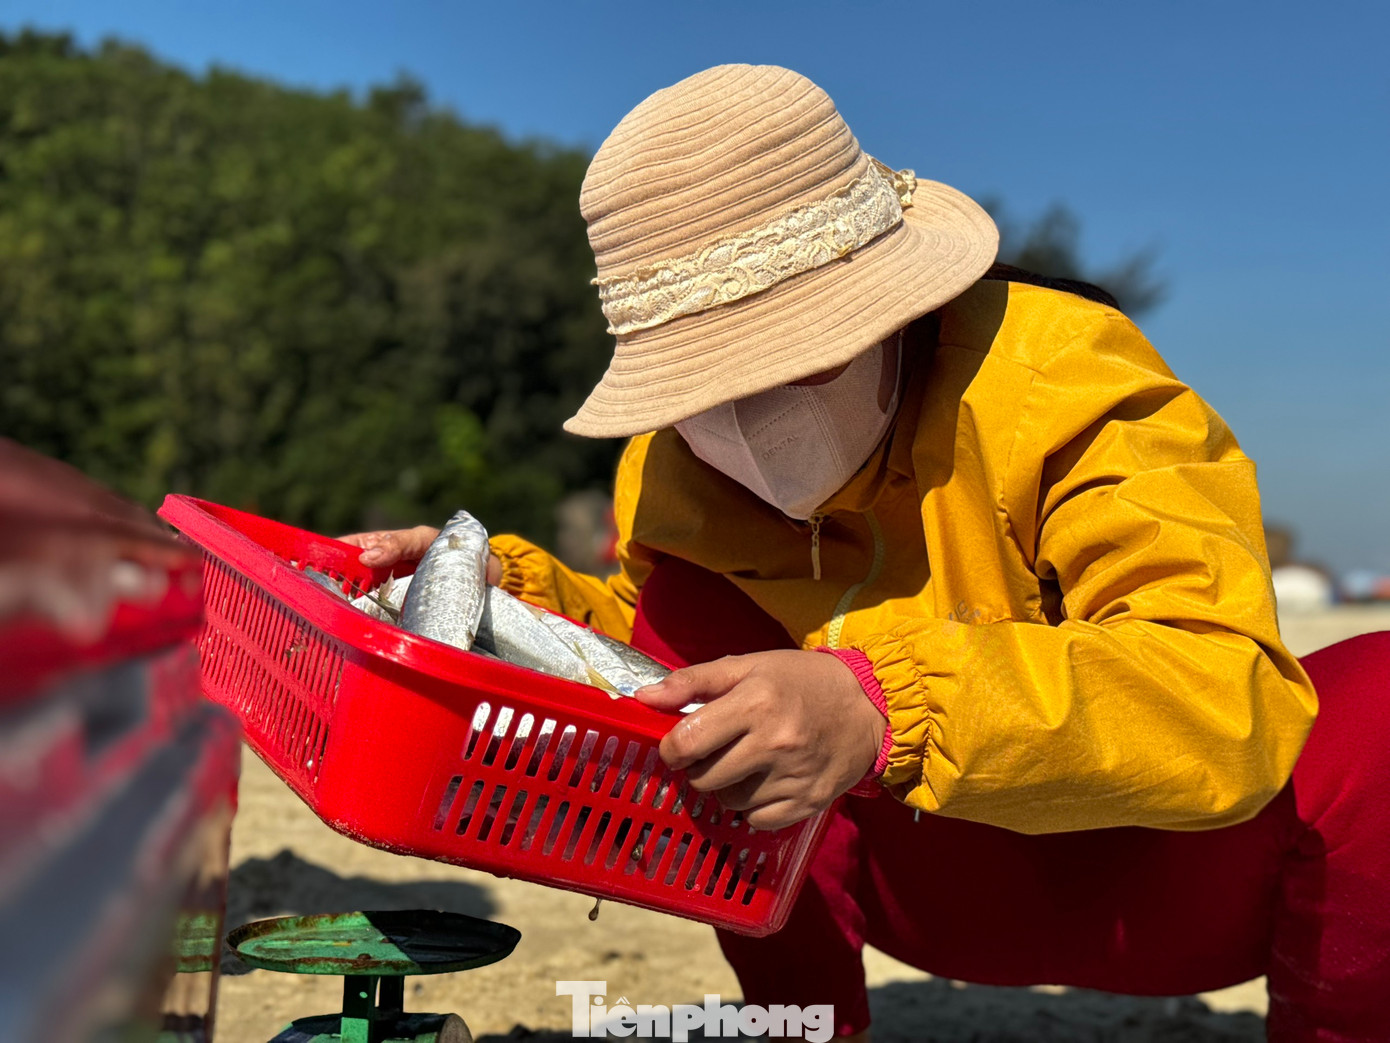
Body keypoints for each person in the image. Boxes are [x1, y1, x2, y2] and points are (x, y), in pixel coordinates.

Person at [345, 65, 1389, 1041]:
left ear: (895, 307)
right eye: (698, 387)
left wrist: (882, 704)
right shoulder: (670, 468)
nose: (739, 419)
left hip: (1159, 885)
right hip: (905, 890)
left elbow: (1222, 701)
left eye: (784, 361)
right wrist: (498, 597)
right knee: (686, 614)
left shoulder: (1062, 381)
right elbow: (643, 647)